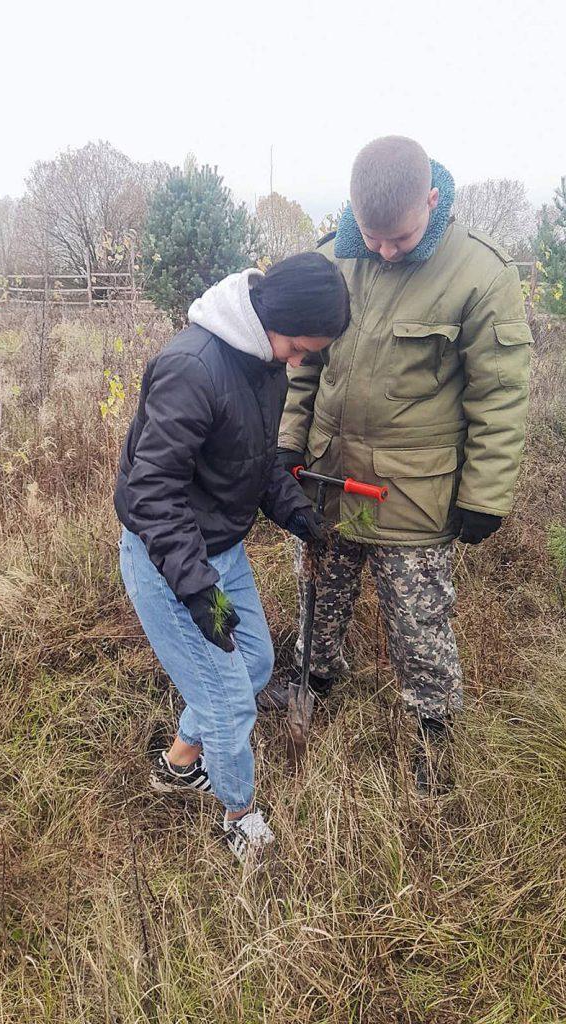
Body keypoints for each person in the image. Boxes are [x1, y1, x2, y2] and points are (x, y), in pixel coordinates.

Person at [278, 136, 532, 794]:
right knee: (317, 593)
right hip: (327, 479)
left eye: (400, 236)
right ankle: (312, 678)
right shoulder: (335, 255)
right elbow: (306, 364)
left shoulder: (480, 274)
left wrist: (486, 494)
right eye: (373, 235)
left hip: (410, 495)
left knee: (418, 620)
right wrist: (287, 443)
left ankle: (435, 731)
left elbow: (499, 395)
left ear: (433, 199)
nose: (385, 250)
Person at [114, 253, 350, 862]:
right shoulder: (192, 367)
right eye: (299, 347)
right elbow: (151, 493)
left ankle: (178, 764)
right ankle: (239, 815)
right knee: (229, 698)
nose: (299, 361)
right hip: (173, 565)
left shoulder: (264, 364)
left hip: (221, 548)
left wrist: (298, 512)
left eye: (308, 354)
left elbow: (256, 460)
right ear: (274, 317)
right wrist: (197, 592)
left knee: (257, 664)